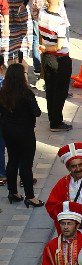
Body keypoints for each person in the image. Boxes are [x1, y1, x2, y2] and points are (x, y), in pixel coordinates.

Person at [0, 63, 41, 207]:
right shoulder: (26, 93)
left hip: (8, 131)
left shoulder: (3, 92)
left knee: (12, 160)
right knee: (26, 165)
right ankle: (30, 196)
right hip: (25, 132)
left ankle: (13, 192)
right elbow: (37, 112)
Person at [38, 0, 72, 133]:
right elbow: (59, 46)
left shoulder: (41, 13)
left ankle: (54, 119)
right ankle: (56, 122)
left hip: (46, 58)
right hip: (60, 60)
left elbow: (41, 35)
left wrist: (44, 47)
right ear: (59, 3)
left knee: (50, 90)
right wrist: (46, 48)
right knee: (61, 92)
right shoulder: (60, 22)